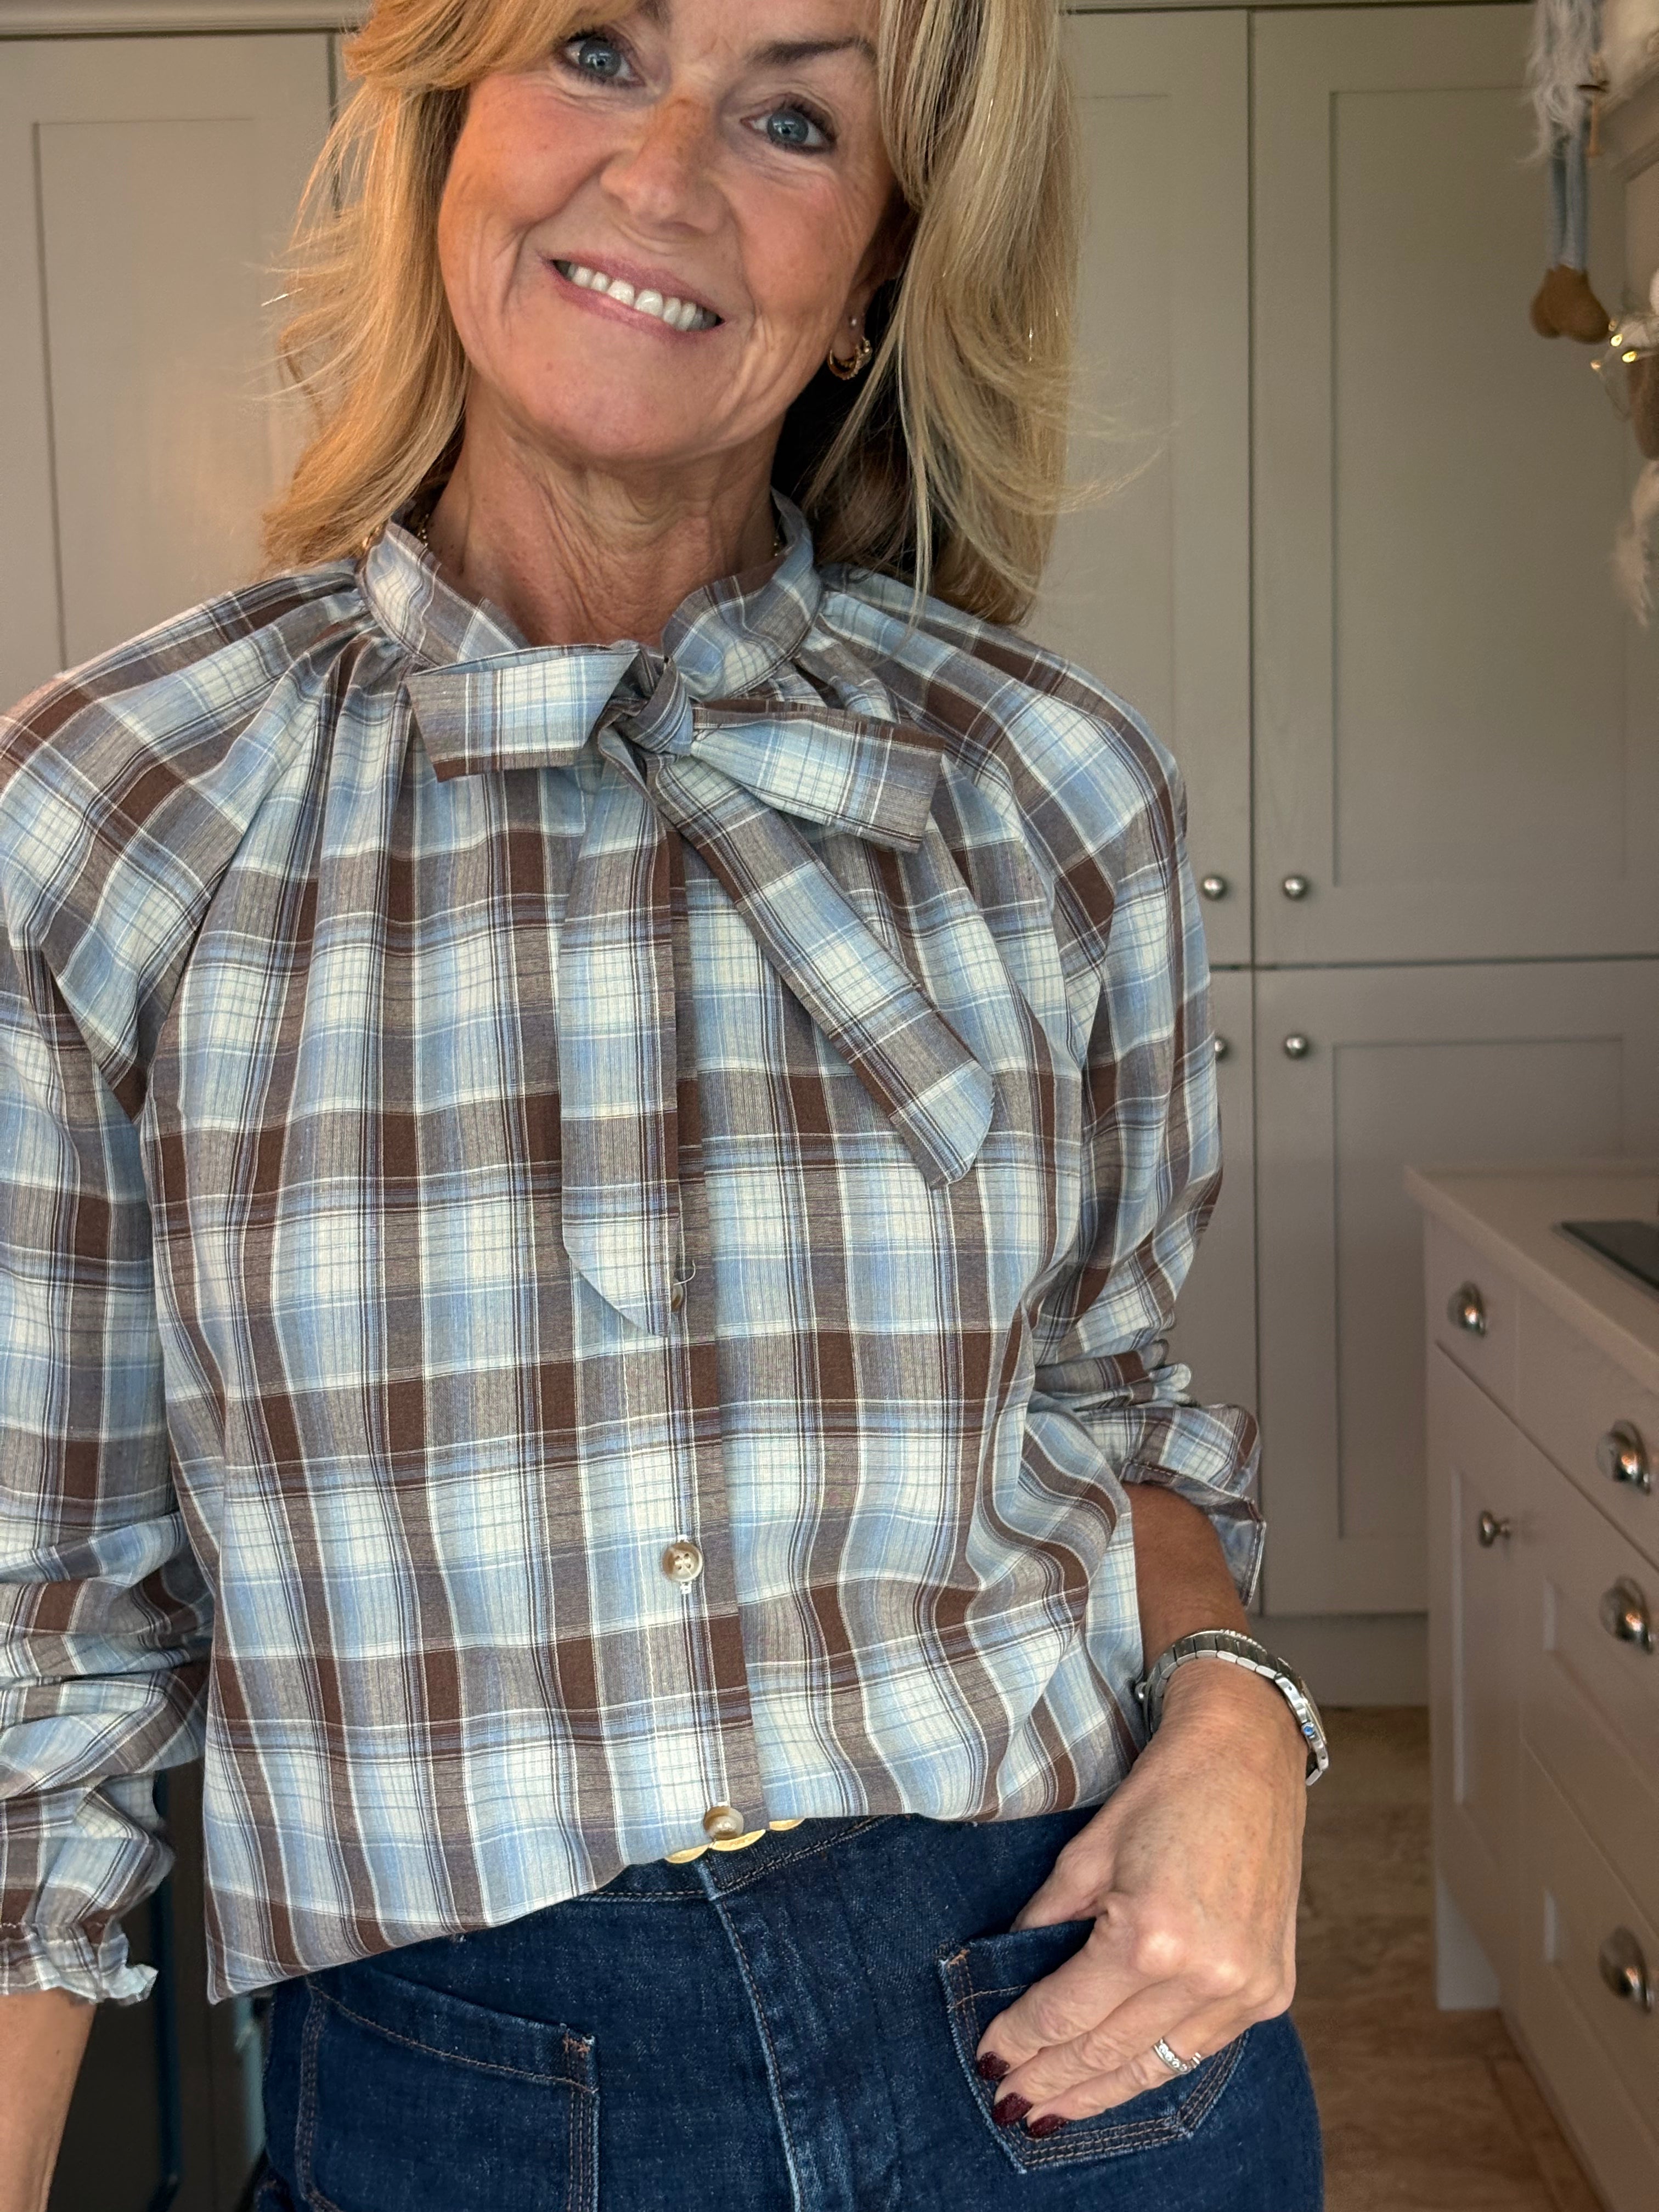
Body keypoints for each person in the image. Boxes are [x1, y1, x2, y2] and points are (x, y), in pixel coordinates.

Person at [0, 0, 1327, 2205]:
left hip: (1078, 2038)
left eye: (795, 116)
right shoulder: (116, 813)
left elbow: (1109, 1410)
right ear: (446, 129)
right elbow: (34, 1651)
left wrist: (1240, 1724)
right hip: (457, 2098)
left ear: (880, 262)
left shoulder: (1050, 786)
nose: (667, 173)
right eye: (598, 50)